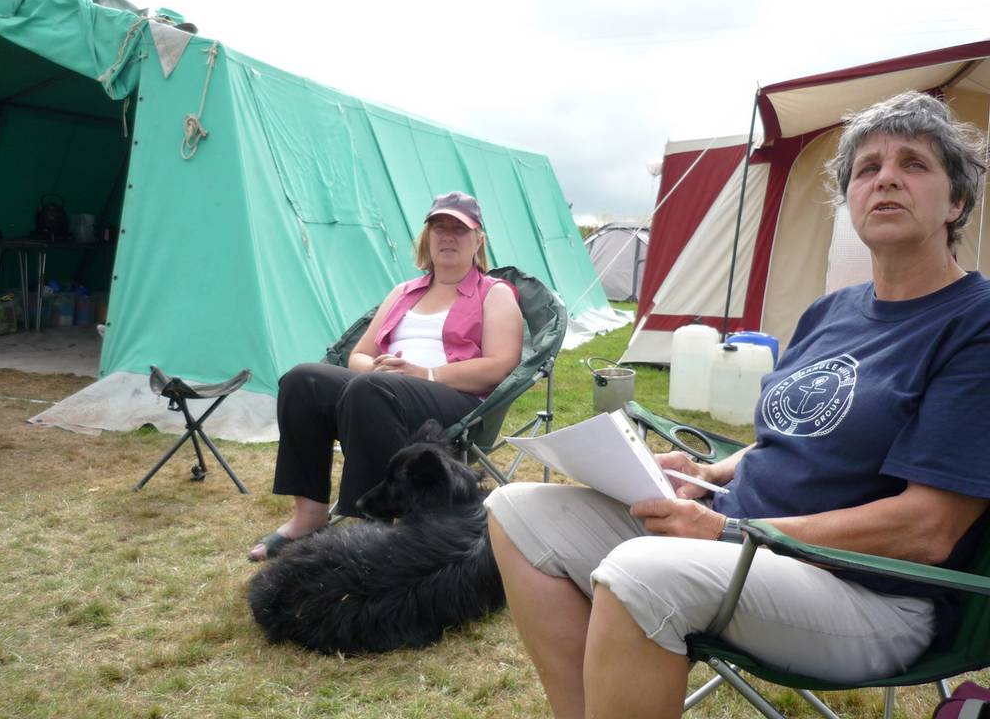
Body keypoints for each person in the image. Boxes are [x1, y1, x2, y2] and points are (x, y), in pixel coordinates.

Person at [484, 90, 990, 719]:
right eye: (867, 167)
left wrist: (734, 531)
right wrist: (710, 474)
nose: (886, 177)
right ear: (850, 200)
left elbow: (929, 528)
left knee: (643, 572)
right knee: (515, 509)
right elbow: (802, 435)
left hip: (867, 593)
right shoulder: (832, 311)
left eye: (914, 164)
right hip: (740, 541)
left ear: (958, 200)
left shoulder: (975, 324)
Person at [249, 192, 523, 562]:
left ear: (479, 240)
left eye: (460, 228)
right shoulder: (403, 292)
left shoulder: (494, 294)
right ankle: (309, 517)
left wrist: (423, 373)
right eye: (439, 227)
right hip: (379, 388)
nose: (448, 235)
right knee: (303, 381)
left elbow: (500, 365)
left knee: (372, 389)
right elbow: (358, 355)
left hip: (452, 399)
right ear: (426, 237)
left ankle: (369, 530)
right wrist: (374, 368)